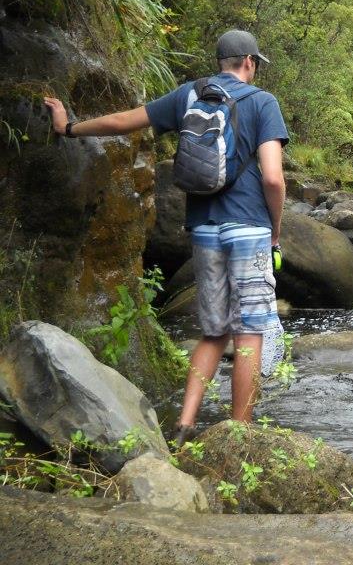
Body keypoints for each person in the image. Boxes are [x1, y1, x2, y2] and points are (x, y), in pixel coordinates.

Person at [44, 30, 288, 444]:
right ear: (250, 62)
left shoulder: (187, 96)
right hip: (249, 228)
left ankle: (185, 424)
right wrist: (275, 233)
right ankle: (240, 436)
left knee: (214, 332)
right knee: (249, 332)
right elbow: (273, 178)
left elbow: (123, 121)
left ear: (220, 61)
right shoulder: (263, 102)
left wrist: (68, 126)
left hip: (204, 228)